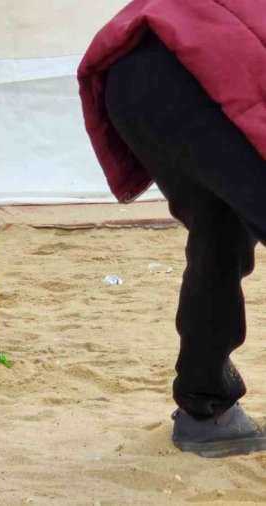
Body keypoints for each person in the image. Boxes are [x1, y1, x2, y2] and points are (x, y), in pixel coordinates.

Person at [78, 1, 266, 457]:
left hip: (132, 73)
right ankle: (205, 402)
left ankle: (207, 409)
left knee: (218, 232)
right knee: (218, 234)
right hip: (201, 68)